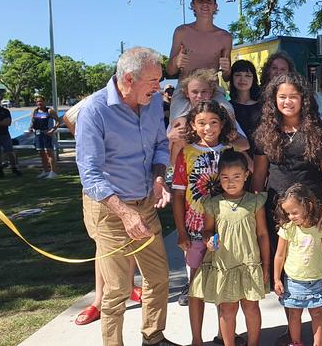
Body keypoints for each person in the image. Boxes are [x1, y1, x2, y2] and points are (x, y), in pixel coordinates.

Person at [75, 47, 180, 346]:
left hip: (145, 202)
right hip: (109, 210)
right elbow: (90, 174)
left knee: (158, 278)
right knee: (117, 289)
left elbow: (161, 144)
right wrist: (124, 212)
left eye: (159, 80)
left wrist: (159, 177)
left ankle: (153, 338)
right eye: (153, 80)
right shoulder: (94, 110)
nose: (159, 87)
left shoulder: (152, 101)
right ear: (129, 79)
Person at [252, 73, 322, 346]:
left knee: (318, 268)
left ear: (303, 98)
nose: (288, 101)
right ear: (274, 100)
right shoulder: (265, 133)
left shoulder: (320, 132)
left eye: (293, 96)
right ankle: (294, 333)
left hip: (312, 215)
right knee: (290, 274)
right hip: (280, 215)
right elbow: (259, 177)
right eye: (282, 97)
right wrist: (254, 212)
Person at [66, 96, 143, 327]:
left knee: (132, 239)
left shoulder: (139, 102)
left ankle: (129, 287)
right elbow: (69, 118)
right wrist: (86, 141)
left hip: (131, 185)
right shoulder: (97, 102)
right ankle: (99, 301)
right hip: (102, 189)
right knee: (105, 246)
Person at [172, 100, 239, 345]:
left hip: (227, 231)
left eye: (213, 122)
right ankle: (196, 339)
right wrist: (181, 232)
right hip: (195, 231)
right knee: (196, 288)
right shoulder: (186, 153)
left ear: (222, 124)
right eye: (201, 123)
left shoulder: (232, 151)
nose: (208, 128)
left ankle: (225, 335)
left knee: (226, 285)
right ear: (193, 125)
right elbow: (179, 195)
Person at [191, 149, 269, 346]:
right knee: (227, 310)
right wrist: (208, 240)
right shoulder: (214, 204)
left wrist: (266, 265)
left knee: (251, 308)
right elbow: (207, 230)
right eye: (225, 177)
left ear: (246, 175)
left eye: (236, 176)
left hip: (249, 263)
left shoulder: (255, 201)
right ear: (219, 178)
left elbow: (262, 234)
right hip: (224, 266)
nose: (231, 181)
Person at [274, 183, 322, 346]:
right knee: (294, 314)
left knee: (317, 314)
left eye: (294, 212)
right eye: (287, 213)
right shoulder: (287, 228)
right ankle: (296, 342)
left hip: (316, 279)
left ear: (308, 205)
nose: (291, 216)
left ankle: (317, 343)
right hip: (293, 281)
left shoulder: (320, 227)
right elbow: (279, 255)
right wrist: (277, 279)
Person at [167, 68, 248, 168]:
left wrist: (218, 147)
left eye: (204, 91)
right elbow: (170, 156)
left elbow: (244, 144)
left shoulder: (220, 115)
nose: (199, 96)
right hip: (189, 173)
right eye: (194, 92)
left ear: (211, 93)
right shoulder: (181, 119)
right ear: (187, 94)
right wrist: (169, 138)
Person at [229, 59, 262, 151]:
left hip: (263, 156)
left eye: (248, 76)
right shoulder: (227, 107)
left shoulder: (263, 106)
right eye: (238, 75)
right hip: (239, 159)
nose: (242, 79)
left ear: (254, 79)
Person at [29, 95, 60, 179]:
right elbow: (32, 122)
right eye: (37, 101)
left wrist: (52, 130)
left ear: (44, 102)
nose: (39, 103)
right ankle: (45, 171)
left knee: (49, 152)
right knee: (41, 153)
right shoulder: (35, 111)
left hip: (47, 134)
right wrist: (31, 128)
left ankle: (53, 172)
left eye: (41, 101)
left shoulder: (49, 111)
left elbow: (58, 121)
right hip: (38, 134)